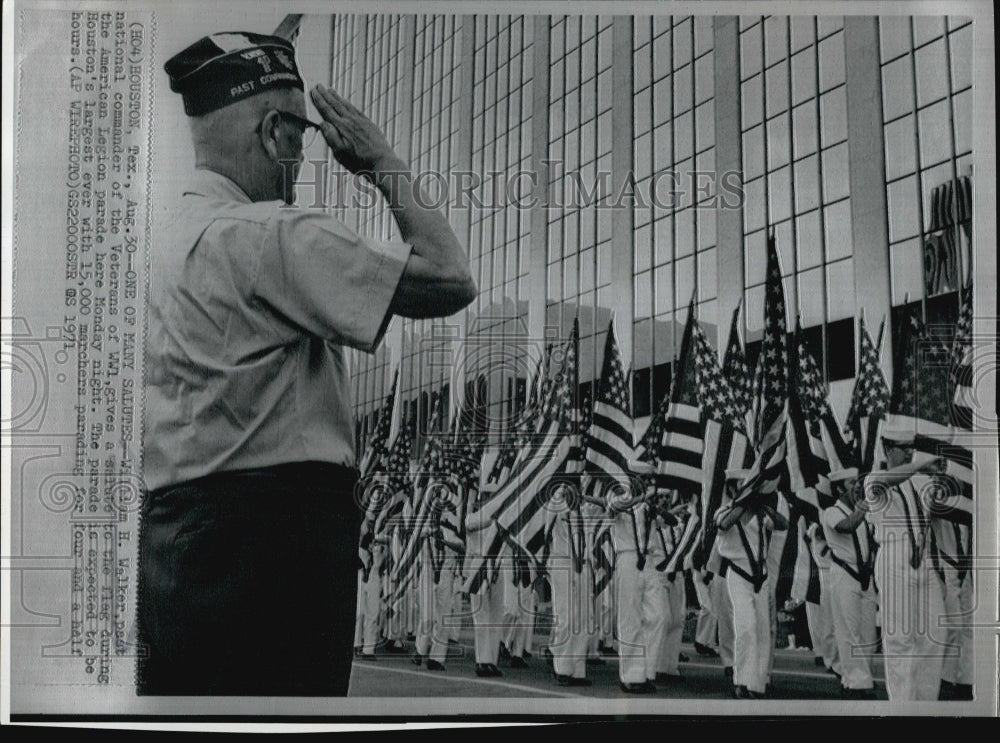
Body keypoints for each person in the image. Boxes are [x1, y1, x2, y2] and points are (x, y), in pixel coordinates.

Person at [140, 32, 475, 696]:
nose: (301, 156)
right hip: (272, 545)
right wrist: (380, 160)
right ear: (272, 133)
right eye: (301, 135)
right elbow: (451, 276)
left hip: (174, 539)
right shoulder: (270, 233)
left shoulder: (162, 247)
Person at [861, 429, 949, 701]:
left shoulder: (918, 482)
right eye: (902, 447)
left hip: (922, 558)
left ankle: (925, 705)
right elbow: (892, 479)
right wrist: (923, 463)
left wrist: (938, 476)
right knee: (900, 640)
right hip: (894, 556)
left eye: (911, 447)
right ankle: (902, 707)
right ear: (887, 450)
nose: (909, 452)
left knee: (934, 635)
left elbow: (933, 511)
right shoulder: (875, 478)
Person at [714, 469, 788, 699]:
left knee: (762, 630)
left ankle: (757, 683)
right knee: (745, 626)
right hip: (739, 574)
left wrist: (763, 506)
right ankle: (742, 681)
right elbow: (723, 525)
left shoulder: (760, 514)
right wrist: (743, 504)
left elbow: (783, 524)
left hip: (760, 577)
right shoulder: (724, 510)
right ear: (731, 489)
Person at [821, 468, 878, 699]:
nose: (857, 485)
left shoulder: (862, 512)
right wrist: (862, 510)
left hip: (865, 575)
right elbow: (845, 526)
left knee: (867, 635)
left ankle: (852, 678)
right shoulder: (831, 512)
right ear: (838, 487)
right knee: (848, 631)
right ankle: (857, 684)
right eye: (851, 482)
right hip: (845, 574)